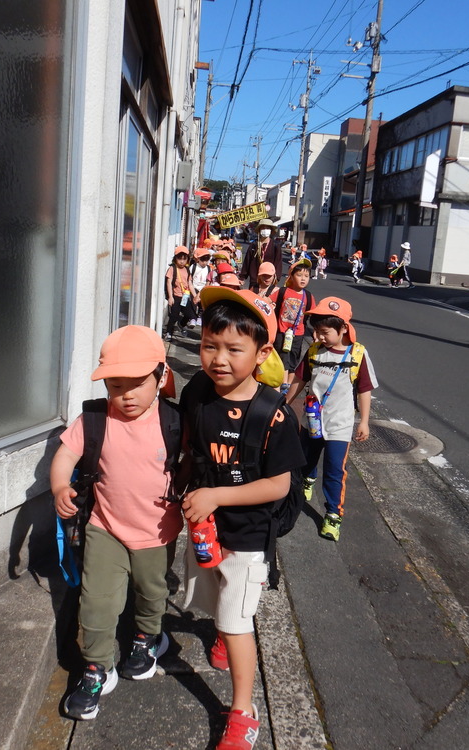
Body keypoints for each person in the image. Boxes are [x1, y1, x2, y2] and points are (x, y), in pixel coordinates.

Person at [180, 287, 306, 750]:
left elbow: (279, 485)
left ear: (262, 352)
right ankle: (222, 637)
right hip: (206, 527)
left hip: (251, 534)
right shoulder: (198, 391)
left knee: (237, 622)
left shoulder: (273, 414)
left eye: (234, 349)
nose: (219, 359)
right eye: (210, 345)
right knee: (213, 595)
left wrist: (214, 495)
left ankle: (242, 712)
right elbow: (189, 445)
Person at [51, 325, 183, 720]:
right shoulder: (95, 419)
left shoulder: (174, 422)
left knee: (151, 591)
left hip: (157, 532)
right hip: (105, 527)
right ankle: (96, 667)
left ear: (160, 377)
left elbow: (195, 465)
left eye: (137, 384)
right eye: (114, 385)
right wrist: (59, 486)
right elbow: (65, 455)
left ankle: (147, 637)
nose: (125, 395)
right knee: (97, 601)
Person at [285, 297, 378, 542]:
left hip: (340, 424)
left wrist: (364, 421)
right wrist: (282, 405)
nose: (318, 337)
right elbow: (299, 380)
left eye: (325, 332)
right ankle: (307, 480)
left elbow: (364, 390)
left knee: (335, 471)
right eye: (316, 332)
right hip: (312, 421)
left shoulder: (358, 354)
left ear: (343, 328)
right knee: (305, 460)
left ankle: (332, 515)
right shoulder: (314, 352)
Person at [269, 258, 315, 391]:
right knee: (283, 356)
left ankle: (288, 383)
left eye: (306, 276)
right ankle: (283, 382)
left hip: (298, 333)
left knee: (294, 357)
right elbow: (269, 302)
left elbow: (313, 314)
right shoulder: (283, 291)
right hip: (282, 331)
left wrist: (316, 333)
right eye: (299, 275)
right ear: (291, 276)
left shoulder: (308, 296)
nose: (303, 279)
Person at [240, 218, 283, 291]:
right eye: (263, 228)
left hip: (269, 280)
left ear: (271, 230)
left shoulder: (275, 246)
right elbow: (247, 261)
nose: (265, 229)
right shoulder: (254, 245)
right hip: (255, 279)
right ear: (259, 230)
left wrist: (276, 277)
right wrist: (242, 277)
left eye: (267, 228)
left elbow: (278, 262)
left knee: (267, 300)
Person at [164, 246, 194, 340]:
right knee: (174, 316)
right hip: (175, 296)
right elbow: (168, 283)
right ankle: (168, 332)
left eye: (184, 259)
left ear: (187, 260)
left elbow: (190, 283)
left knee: (190, 315)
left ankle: (181, 324)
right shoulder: (172, 269)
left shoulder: (187, 270)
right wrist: (170, 297)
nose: (182, 261)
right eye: (179, 259)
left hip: (185, 296)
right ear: (175, 258)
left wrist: (195, 295)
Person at [190, 247, 215, 327]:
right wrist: (194, 294)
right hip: (194, 288)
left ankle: (200, 317)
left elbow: (210, 280)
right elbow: (189, 279)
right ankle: (193, 318)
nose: (204, 263)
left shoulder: (209, 268)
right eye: (202, 260)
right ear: (198, 259)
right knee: (193, 303)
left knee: (202, 304)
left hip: (204, 288)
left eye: (206, 260)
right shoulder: (193, 267)